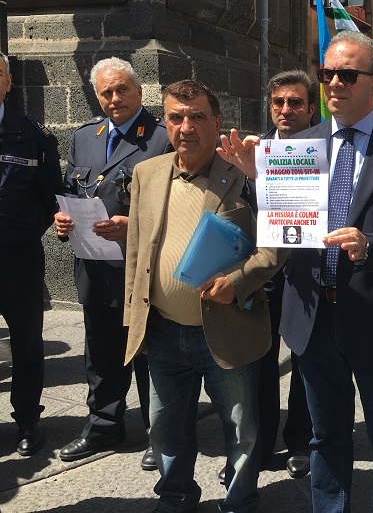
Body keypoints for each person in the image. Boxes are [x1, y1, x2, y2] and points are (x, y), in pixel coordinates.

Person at [280, 31, 373, 511]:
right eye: (327, 74)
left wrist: (369, 245)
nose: (334, 85)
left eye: (348, 75)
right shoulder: (297, 146)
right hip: (313, 318)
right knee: (325, 438)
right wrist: (254, 180)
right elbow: (278, 228)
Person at [123, 80, 286, 513]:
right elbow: (137, 250)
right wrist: (132, 317)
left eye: (197, 116)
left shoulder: (245, 174)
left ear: (217, 122)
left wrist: (239, 281)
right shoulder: (147, 173)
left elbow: (277, 244)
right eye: (176, 117)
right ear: (165, 123)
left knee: (241, 430)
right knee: (165, 425)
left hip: (225, 326)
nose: (186, 127)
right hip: (161, 330)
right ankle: (175, 496)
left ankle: (239, 501)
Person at [54, 57, 169, 469]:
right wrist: (62, 221)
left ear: (139, 91)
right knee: (101, 353)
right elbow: (71, 189)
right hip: (96, 267)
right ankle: (104, 424)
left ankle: (162, 432)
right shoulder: (84, 137)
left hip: (144, 269)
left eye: (122, 89)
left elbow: (180, 205)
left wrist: (132, 226)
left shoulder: (161, 137)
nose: (114, 98)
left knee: (150, 355)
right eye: (106, 92)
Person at [218, 70, 315, 482]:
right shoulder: (252, 152)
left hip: (309, 269)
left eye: (295, 102)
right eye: (278, 103)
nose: (286, 110)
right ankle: (258, 443)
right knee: (259, 358)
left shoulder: (325, 149)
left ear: (312, 107)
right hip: (263, 272)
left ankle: (301, 441)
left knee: (306, 358)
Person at [0, 51, 61, 457]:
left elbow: (50, 197)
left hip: (17, 259)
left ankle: (27, 422)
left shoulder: (32, 135)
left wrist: (21, 233)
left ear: (7, 82)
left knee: (25, 344)